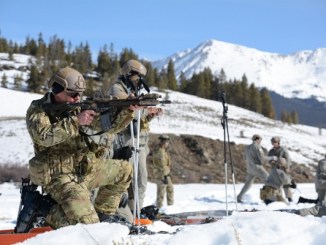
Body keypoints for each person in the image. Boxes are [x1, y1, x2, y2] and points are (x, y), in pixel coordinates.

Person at [25, 67, 135, 229]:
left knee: (124, 170)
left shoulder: (78, 107)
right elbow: (43, 136)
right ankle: (43, 209)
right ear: (57, 89)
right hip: (59, 176)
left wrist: (127, 110)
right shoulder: (38, 109)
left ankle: (104, 215)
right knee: (86, 226)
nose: (77, 98)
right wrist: (76, 121)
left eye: (80, 94)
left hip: (84, 169)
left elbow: (109, 128)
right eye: (73, 94)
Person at [108, 59, 162, 213]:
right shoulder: (118, 88)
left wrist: (149, 113)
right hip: (125, 142)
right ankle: (121, 214)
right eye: (135, 75)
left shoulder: (133, 90)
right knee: (124, 181)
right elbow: (126, 107)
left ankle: (135, 211)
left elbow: (138, 115)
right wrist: (144, 108)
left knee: (141, 181)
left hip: (139, 142)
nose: (138, 79)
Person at [237, 134, 275, 203]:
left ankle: (239, 197)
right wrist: (272, 158)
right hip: (257, 167)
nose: (261, 141)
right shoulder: (258, 147)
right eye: (260, 139)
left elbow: (244, 158)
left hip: (250, 168)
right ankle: (266, 199)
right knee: (268, 180)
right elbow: (262, 158)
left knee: (248, 183)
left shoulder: (247, 147)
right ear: (257, 139)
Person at [268, 136, 293, 202]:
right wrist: (271, 162)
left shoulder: (283, 149)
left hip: (283, 169)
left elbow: (288, 159)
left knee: (286, 183)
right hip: (275, 169)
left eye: (275, 142)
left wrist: (287, 167)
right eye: (273, 142)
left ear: (278, 142)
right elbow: (269, 159)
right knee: (276, 184)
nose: (274, 143)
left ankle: (289, 198)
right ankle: (279, 199)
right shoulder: (271, 151)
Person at [152, 134, 174, 209]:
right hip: (161, 175)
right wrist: (164, 175)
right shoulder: (160, 151)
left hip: (165, 174)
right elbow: (161, 164)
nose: (167, 143)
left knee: (170, 189)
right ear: (163, 142)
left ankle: (170, 207)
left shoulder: (162, 150)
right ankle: (159, 208)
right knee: (161, 193)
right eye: (167, 142)